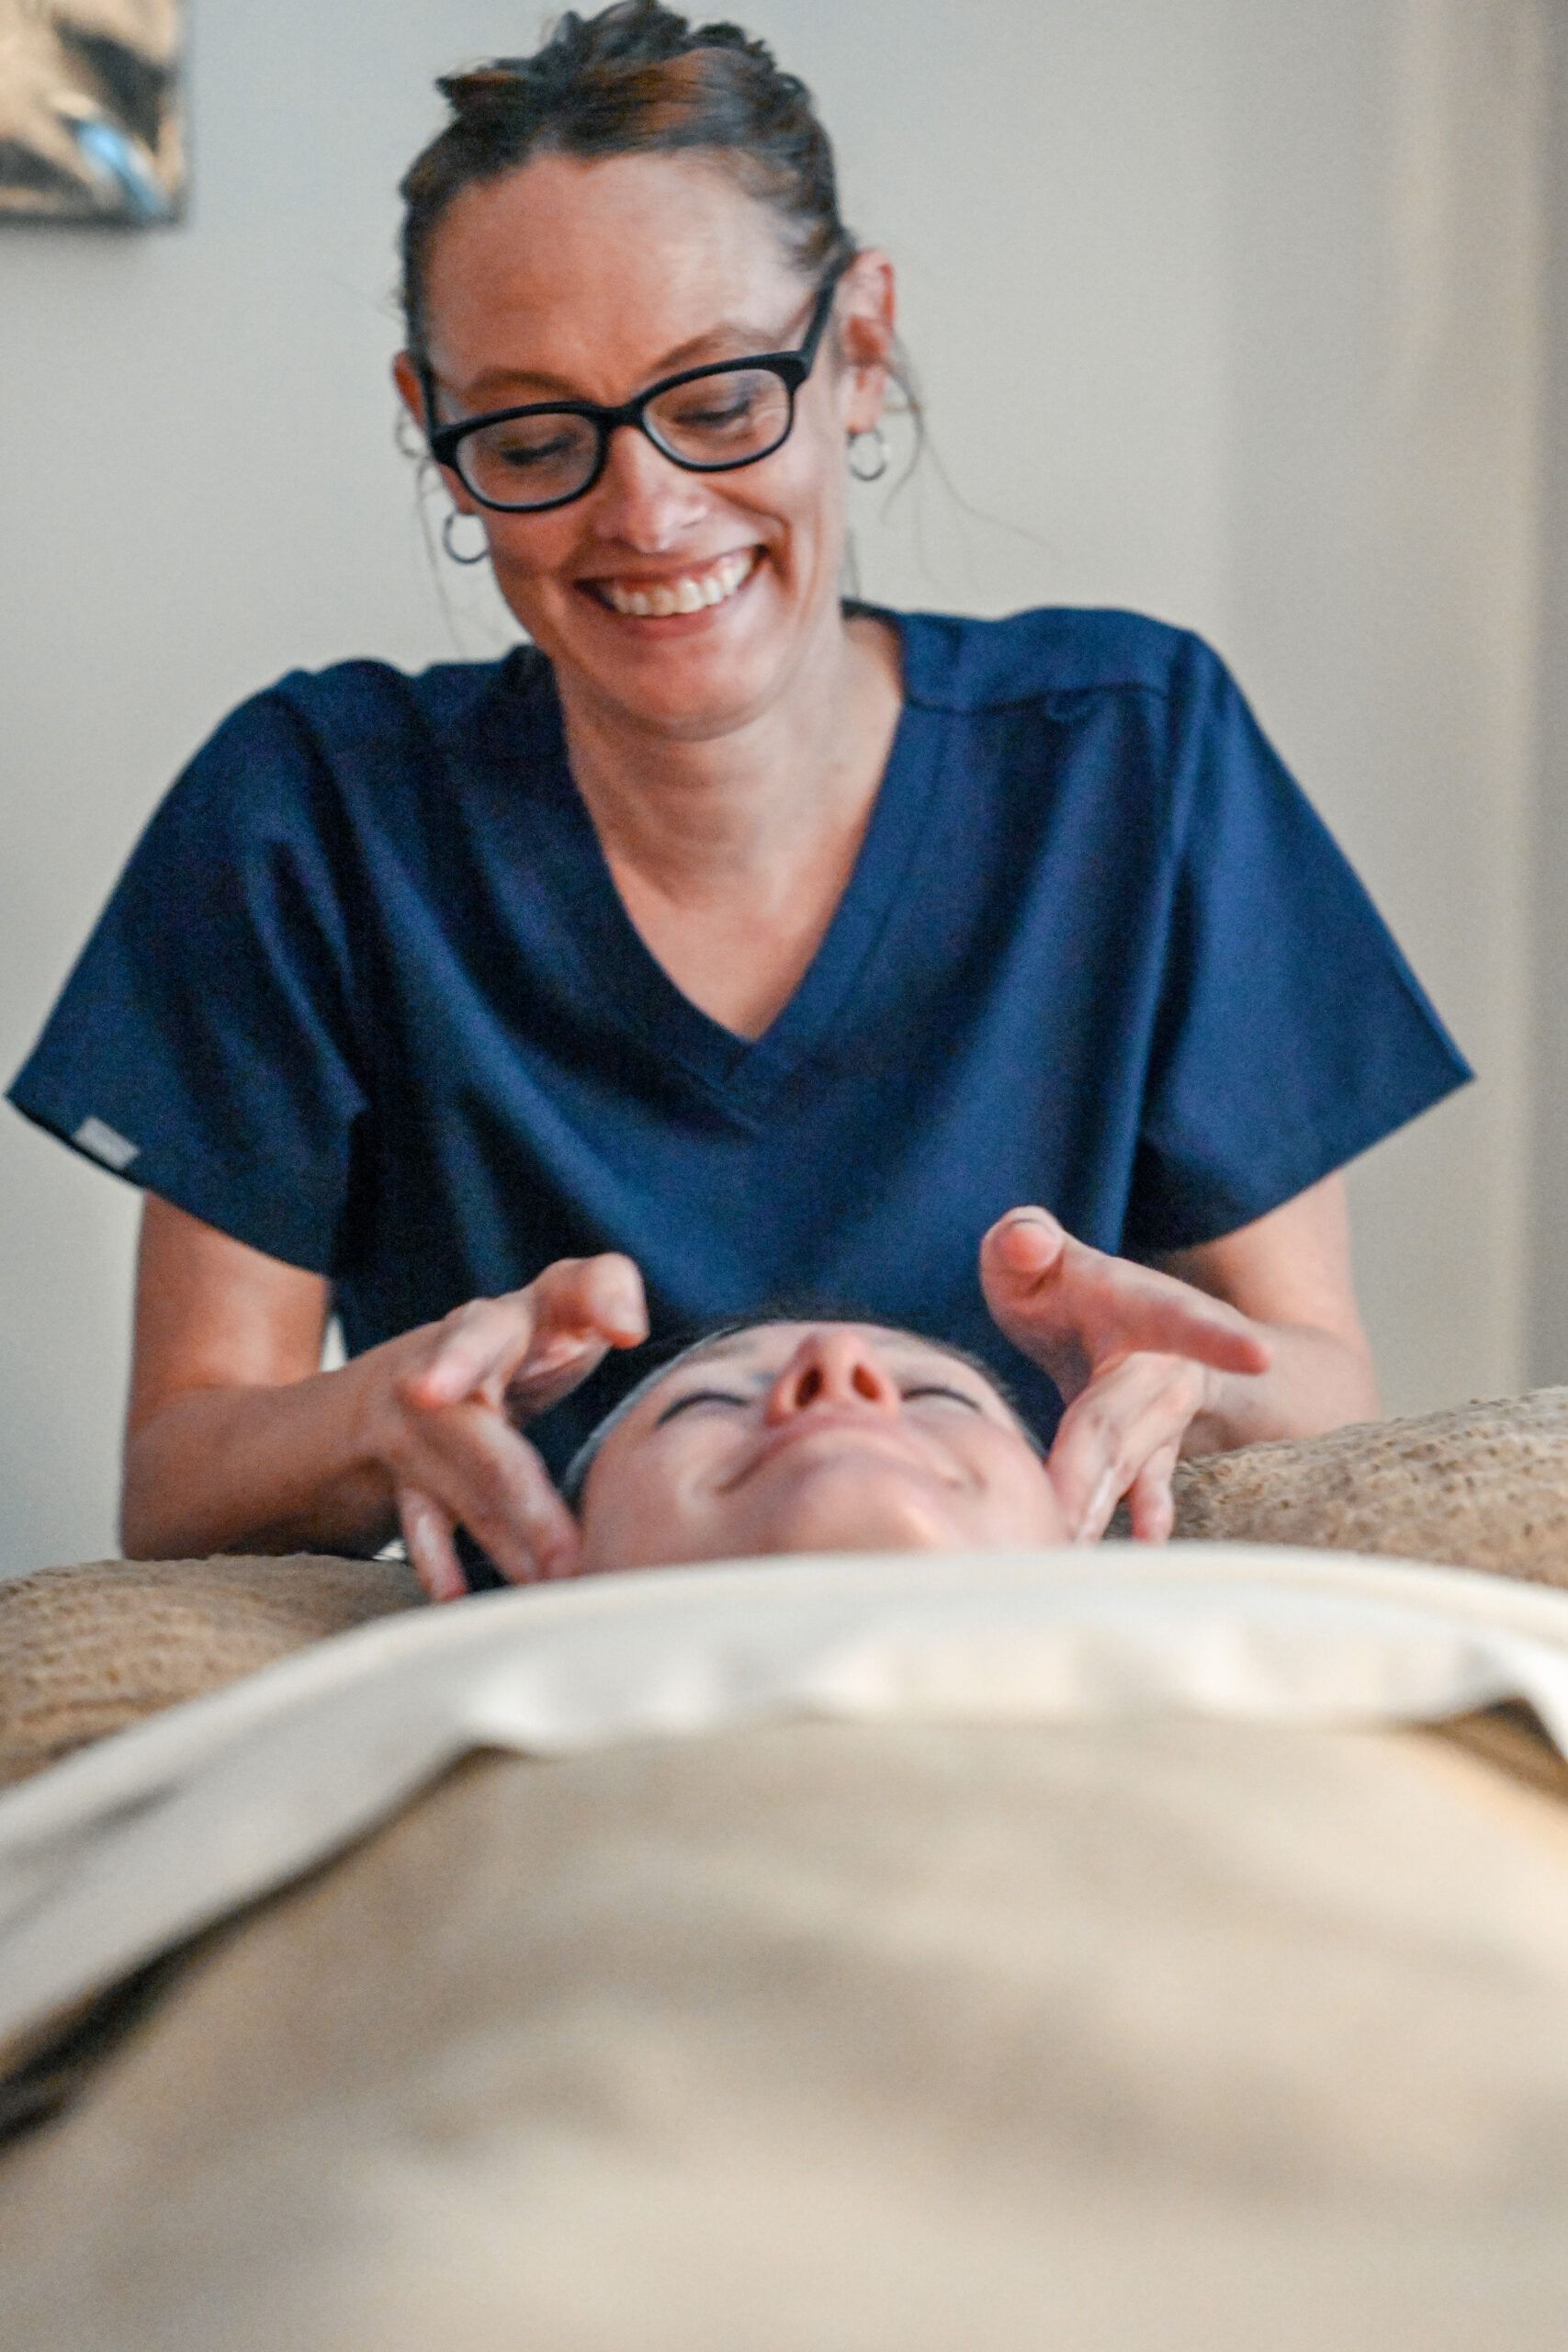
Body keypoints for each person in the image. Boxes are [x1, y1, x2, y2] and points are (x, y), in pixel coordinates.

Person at [6, 2, 1468, 1600]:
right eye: (536, 434)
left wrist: (1197, 1382)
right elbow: (183, 1475)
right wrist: (391, 1412)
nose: (644, 510)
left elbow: (1321, 1381)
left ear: (857, 350)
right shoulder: (309, 817)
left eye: (714, 405)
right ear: (434, 430)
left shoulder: (1132, 755)